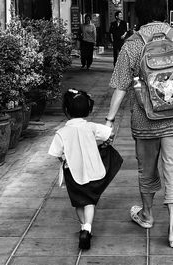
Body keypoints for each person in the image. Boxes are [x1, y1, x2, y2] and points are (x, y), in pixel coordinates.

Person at [104, 0, 173, 248]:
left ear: (138, 14)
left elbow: (120, 86)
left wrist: (109, 120)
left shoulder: (132, 44)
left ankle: (148, 215)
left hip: (145, 121)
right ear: (164, 12)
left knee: (146, 170)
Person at [48, 89, 122, 250]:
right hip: (93, 171)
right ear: (88, 109)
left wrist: (65, 159)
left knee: (78, 202)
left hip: (72, 173)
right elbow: (110, 133)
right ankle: (88, 228)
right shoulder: (92, 127)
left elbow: (56, 153)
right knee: (90, 202)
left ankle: (83, 228)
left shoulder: (61, 133)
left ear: (66, 111)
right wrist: (104, 143)